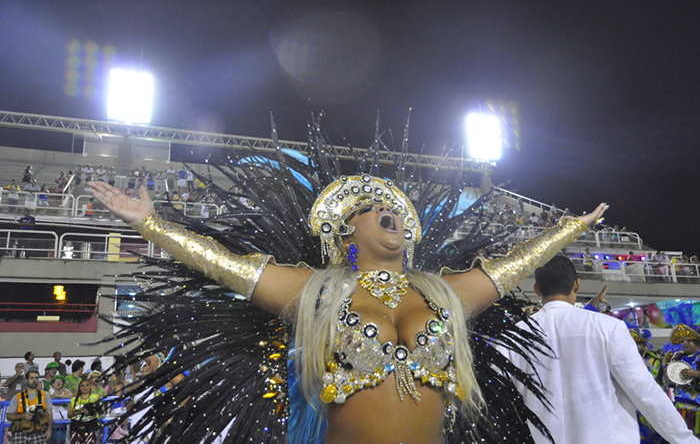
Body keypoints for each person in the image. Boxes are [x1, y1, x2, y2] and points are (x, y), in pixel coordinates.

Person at [88, 174, 607, 444]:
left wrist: (568, 229)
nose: (390, 211)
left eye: (397, 211)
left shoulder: (443, 292)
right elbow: (228, 266)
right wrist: (152, 226)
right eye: (370, 210)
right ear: (346, 234)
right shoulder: (318, 292)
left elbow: (512, 267)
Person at [507, 256, 698, 444]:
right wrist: (686, 440)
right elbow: (645, 393)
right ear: (577, 285)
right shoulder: (609, 328)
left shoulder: (512, 337)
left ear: (537, 290)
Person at [668, 324, 700, 436]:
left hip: (698, 410)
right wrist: (668, 377)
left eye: (689, 340)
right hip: (680, 408)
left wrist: (696, 374)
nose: (685, 343)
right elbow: (667, 382)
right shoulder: (677, 357)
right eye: (683, 340)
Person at [5, 369, 53, 443]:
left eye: (36, 378)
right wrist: (22, 416)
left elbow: (49, 413)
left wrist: (49, 430)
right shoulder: (18, 397)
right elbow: (8, 416)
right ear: (26, 380)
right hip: (21, 433)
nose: (34, 380)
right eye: (32, 378)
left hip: (38, 432)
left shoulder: (44, 395)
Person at [68, 379, 102, 444]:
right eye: (82, 386)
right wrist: (80, 411)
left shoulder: (96, 397)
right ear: (79, 388)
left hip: (91, 425)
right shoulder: (74, 400)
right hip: (76, 426)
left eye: (87, 385)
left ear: (90, 387)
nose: (85, 388)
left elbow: (101, 411)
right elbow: (69, 415)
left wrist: (92, 411)